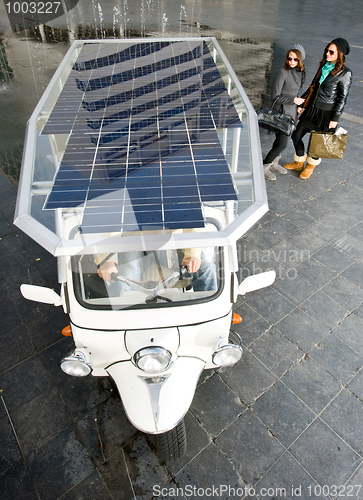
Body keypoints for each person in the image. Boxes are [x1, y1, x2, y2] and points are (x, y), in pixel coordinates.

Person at [284, 38, 352, 179]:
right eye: (326, 50)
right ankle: (299, 162)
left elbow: (342, 98)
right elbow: (313, 87)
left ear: (339, 54)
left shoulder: (345, 73)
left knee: (317, 144)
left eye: (331, 52)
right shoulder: (323, 66)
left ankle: (310, 167)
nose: (327, 54)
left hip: (327, 113)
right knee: (296, 135)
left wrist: (335, 118)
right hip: (312, 109)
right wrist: (302, 104)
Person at [263, 44, 306, 181]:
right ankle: (264, 166)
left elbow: (296, 91)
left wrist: (298, 105)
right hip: (281, 112)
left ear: (300, 60)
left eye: (295, 59)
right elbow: (275, 96)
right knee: (282, 143)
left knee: (280, 140)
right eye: (289, 59)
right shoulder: (282, 73)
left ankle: (274, 162)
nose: (292, 62)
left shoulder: (300, 73)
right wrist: (294, 100)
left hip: (292, 112)